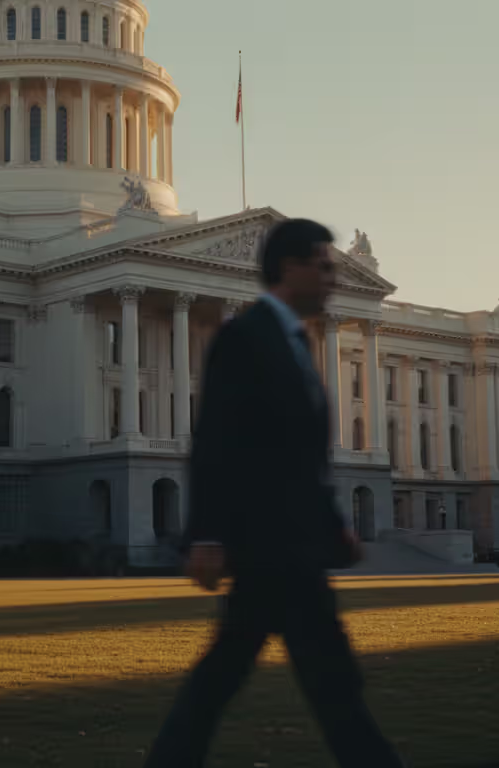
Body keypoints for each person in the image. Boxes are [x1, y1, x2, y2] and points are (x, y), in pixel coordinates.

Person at [142, 219, 404, 768]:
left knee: (318, 686)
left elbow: (301, 457)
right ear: (291, 267)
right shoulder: (243, 337)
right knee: (293, 685)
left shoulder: (294, 342)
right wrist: (207, 534)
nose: (334, 278)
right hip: (267, 550)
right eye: (325, 266)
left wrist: (335, 526)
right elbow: (214, 441)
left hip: (293, 550)